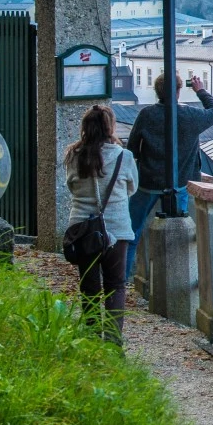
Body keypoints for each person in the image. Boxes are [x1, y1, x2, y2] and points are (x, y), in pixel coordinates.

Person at [124, 72, 213, 285]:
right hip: (181, 183)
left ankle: (120, 280)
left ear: (157, 92)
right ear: (179, 91)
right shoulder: (190, 116)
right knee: (184, 234)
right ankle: (183, 281)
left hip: (148, 182)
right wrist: (200, 90)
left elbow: (132, 148)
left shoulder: (146, 115)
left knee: (130, 232)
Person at [64, 104, 137, 342]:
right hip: (116, 229)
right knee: (116, 285)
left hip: (83, 230)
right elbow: (132, 188)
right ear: (110, 127)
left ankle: (93, 339)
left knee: (90, 288)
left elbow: (71, 186)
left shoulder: (73, 156)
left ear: (84, 128)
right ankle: (114, 342)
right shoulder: (124, 157)